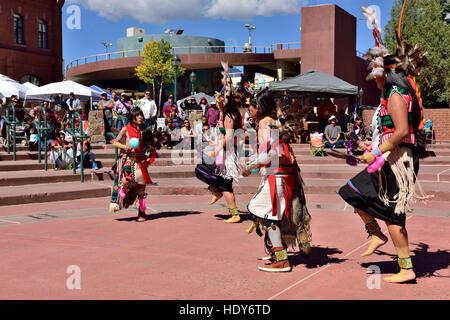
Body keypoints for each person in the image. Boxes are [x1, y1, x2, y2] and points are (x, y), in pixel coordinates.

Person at [338, 5, 432, 284]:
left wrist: (378, 151)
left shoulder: (395, 94)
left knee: (393, 215)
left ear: (384, 73)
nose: (372, 76)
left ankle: (406, 269)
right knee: (352, 193)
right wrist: (373, 144)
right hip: (390, 158)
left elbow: (402, 130)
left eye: (374, 71)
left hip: (397, 161)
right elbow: (391, 129)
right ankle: (375, 233)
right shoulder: (392, 93)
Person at [242, 89, 312, 272]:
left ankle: (281, 259)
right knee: (273, 215)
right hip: (284, 174)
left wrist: (249, 166)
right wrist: (256, 167)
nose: (248, 109)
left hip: (277, 176)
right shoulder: (274, 122)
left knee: (265, 213)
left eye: (250, 106)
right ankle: (276, 252)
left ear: (258, 107)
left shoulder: (265, 123)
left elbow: (270, 154)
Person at [195, 86, 244, 223]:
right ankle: (216, 190)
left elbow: (229, 138)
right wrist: (215, 141)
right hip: (226, 151)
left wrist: (216, 148)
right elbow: (224, 135)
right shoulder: (227, 114)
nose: (217, 104)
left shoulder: (229, 116)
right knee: (203, 170)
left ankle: (234, 214)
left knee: (225, 185)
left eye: (219, 102)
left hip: (228, 154)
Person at [109, 107, 159, 222]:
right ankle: (123, 194)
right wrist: (124, 147)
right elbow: (115, 142)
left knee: (141, 189)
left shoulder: (145, 130)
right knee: (126, 180)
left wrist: (149, 151)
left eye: (141, 115)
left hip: (141, 161)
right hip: (128, 159)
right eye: (137, 115)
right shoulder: (126, 129)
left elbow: (150, 145)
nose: (140, 117)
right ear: (132, 117)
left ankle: (142, 212)